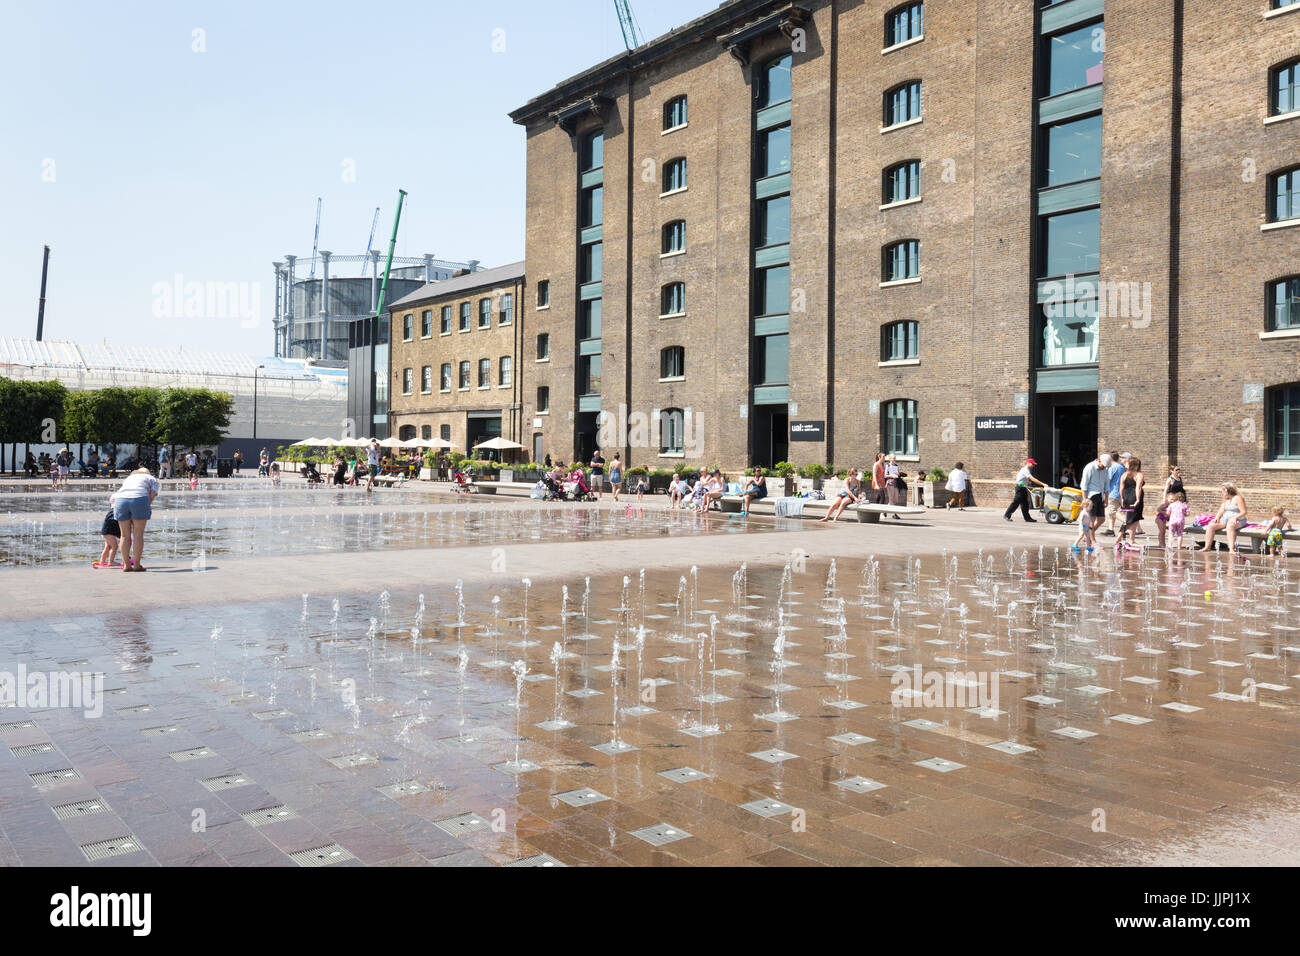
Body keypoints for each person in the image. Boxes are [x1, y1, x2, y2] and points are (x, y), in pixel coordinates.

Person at [113, 466, 160, 571]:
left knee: (124, 535)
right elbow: (152, 495)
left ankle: (126, 565)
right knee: (138, 535)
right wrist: (145, 506)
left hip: (120, 500)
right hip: (139, 498)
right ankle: (137, 565)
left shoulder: (129, 478)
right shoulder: (152, 479)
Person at [1196, 484, 1249, 554]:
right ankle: (1207, 547)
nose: (1222, 493)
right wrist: (1217, 517)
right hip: (1225, 519)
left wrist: (1235, 518)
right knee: (1211, 526)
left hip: (1238, 520)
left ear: (1227, 491)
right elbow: (1221, 510)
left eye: (1222, 491)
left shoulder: (1238, 498)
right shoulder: (1226, 500)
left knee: (1230, 526)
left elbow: (1244, 512)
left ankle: (1231, 549)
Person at [1078, 453, 1112, 533]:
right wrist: (1085, 500)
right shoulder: (1090, 467)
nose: (1104, 468)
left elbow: (1107, 485)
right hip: (1092, 495)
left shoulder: (1105, 469)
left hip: (1100, 495)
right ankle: (1092, 541)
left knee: (1101, 519)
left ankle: (1088, 534)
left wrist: (1106, 499)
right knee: (1091, 520)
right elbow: (1084, 485)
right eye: (1103, 466)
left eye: (1105, 467)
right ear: (1099, 460)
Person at [1004, 457, 1045, 522]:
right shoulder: (1025, 470)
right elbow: (1032, 478)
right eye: (1032, 464)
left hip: (1023, 487)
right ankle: (1007, 515)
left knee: (1025, 503)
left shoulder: (1027, 470)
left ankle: (1027, 518)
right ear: (1028, 463)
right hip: (1020, 488)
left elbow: (1026, 479)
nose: (1033, 466)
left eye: (1034, 465)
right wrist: (1043, 484)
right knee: (1016, 502)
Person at [1117, 456, 1145, 550]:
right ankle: (1124, 538)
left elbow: (1121, 488)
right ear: (1137, 465)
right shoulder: (1139, 475)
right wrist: (1137, 499)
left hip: (1126, 497)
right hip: (1134, 497)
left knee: (1132, 519)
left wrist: (1122, 498)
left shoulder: (1124, 475)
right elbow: (1138, 488)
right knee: (1132, 519)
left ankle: (1129, 538)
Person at [1102, 451, 1129, 536]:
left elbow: (1108, 479)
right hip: (1121, 492)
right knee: (1112, 511)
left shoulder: (1113, 467)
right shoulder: (1122, 467)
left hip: (1112, 492)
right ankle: (1110, 529)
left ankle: (1127, 522)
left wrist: (1103, 490)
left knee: (1111, 512)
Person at [97, 495, 121, 568]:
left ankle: (102, 561)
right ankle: (111, 561)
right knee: (115, 546)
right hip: (109, 532)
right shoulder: (115, 512)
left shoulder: (110, 512)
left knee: (107, 547)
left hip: (106, 531)